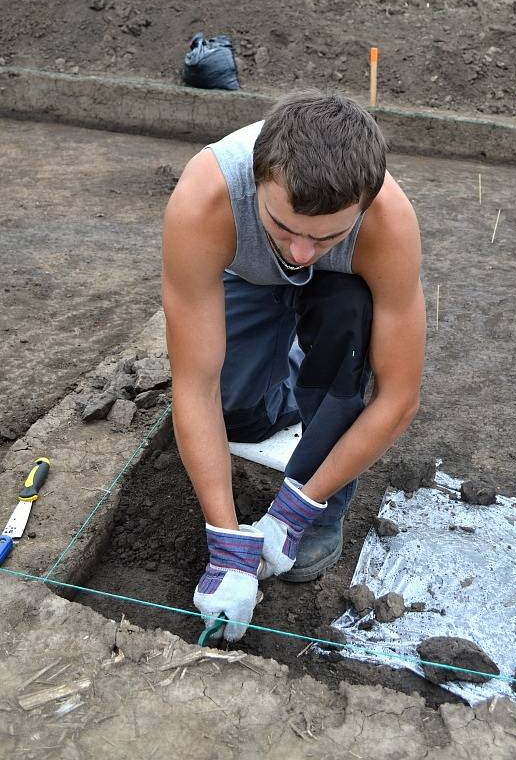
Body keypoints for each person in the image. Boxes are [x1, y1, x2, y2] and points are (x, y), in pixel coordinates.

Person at [162, 90, 425, 641]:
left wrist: (297, 507)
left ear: (365, 203)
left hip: (344, 286)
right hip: (244, 272)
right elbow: (195, 385)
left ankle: (325, 501)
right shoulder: (206, 200)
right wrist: (226, 541)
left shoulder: (388, 226)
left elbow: (398, 398)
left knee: (348, 340)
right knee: (233, 410)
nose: (302, 252)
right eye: (284, 228)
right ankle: (292, 362)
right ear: (255, 184)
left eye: (325, 234)